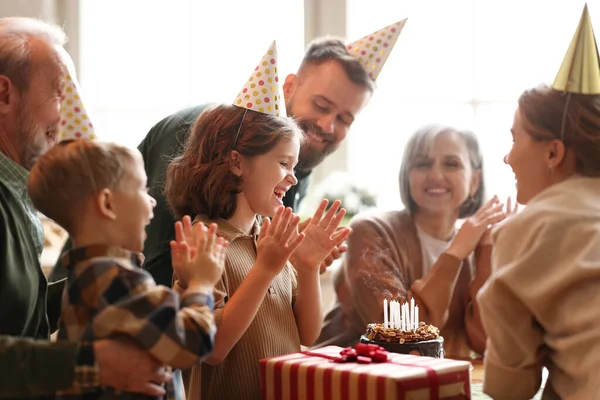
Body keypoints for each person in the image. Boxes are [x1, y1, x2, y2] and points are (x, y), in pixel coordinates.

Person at [135, 20, 406, 287]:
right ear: (288, 87)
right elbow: (162, 266)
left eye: (345, 119)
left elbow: (251, 275)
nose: (327, 126)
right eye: (321, 105)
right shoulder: (198, 137)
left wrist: (295, 256)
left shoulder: (298, 164)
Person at [164, 42, 351, 399]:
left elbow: (308, 335)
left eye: (295, 167)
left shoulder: (271, 239)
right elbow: (213, 349)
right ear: (237, 162)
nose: (293, 179)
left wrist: (308, 266)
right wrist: (265, 268)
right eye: (283, 164)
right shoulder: (203, 243)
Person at [0, 17, 172, 398]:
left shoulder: (15, 192)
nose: (68, 115)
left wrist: (92, 282)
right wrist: (86, 363)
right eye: (62, 92)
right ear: (4, 94)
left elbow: (14, 312)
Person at [27, 139, 227, 399]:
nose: (152, 201)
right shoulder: (116, 279)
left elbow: (149, 331)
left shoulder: (87, 274)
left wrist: (183, 288)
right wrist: (202, 283)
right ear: (108, 204)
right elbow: (191, 344)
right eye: (143, 189)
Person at [478, 6, 600, 398]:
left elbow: (510, 388)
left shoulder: (528, 229)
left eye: (515, 139)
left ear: (554, 153)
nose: (507, 157)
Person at [315, 124, 513, 359]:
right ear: (406, 175)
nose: (436, 176)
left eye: (451, 164)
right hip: (354, 381)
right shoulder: (370, 231)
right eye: (422, 164)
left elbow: (488, 342)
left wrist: (487, 251)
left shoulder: (475, 244)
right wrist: (455, 253)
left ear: (475, 181)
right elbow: (402, 337)